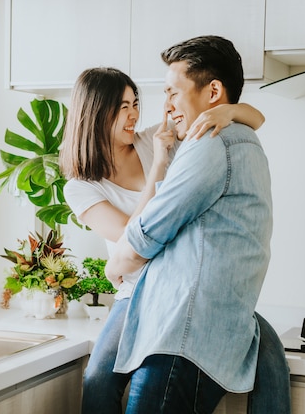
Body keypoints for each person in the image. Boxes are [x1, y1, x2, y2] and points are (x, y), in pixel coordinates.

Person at [60, 66, 290, 413]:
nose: (134, 114)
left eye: (135, 102)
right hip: (135, 291)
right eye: (122, 106)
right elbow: (134, 240)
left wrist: (227, 110)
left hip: (181, 288)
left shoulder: (153, 137)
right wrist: (159, 165)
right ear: (95, 111)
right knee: (98, 380)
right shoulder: (82, 187)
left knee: (271, 357)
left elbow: (255, 119)